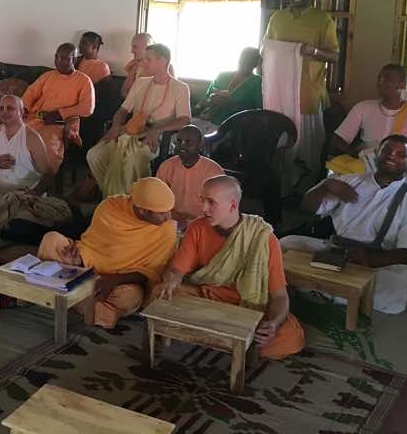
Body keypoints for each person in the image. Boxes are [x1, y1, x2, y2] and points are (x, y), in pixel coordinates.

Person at [152, 175, 305, 360]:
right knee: (159, 292)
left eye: (211, 202)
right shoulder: (197, 228)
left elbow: (280, 296)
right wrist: (172, 280)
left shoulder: (263, 237)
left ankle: (212, 334)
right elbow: (177, 270)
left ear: (232, 205)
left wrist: (273, 324)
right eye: (202, 200)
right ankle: (228, 337)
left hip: (249, 305)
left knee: (289, 334)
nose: (203, 208)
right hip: (208, 299)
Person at [281, 135, 407, 315]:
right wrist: (325, 185)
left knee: (403, 280)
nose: (392, 156)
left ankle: (316, 287)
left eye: (401, 154)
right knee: (286, 244)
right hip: (336, 251)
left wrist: (368, 260)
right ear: (377, 154)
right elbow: (306, 208)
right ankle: (343, 293)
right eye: (387, 151)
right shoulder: (350, 181)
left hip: (377, 262)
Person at [38, 177, 177, 328]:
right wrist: (76, 255)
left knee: (130, 296)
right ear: (143, 210)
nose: (168, 217)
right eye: (162, 213)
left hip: (121, 280)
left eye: (169, 211)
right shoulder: (110, 207)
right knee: (51, 240)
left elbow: (151, 271)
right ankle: (84, 304)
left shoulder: (167, 228)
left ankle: (61, 296)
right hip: (85, 268)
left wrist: (113, 280)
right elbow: (92, 244)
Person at [262, 0, 339, 183]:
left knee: (308, 151)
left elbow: (334, 55)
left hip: (308, 96)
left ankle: (304, 192)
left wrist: (312, 52)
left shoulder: (322, 19)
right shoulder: (277, 18)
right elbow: (265, 49)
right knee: (281, 145)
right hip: (279, 96)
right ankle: (281, 189)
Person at [87, 43, 190, 198]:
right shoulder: (141, 82)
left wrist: (157, 130)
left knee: (132, 159)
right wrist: (115, 127)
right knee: (94, 155)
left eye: (148, 60)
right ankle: (113, 198)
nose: (142, 63)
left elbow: (185, 120)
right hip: (128, 133)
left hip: (157, 139)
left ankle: (134, 201)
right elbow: (122, 111)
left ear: (162, 61)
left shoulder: (180, 88)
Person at [330, 64, 407, 176]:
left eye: (387, 78)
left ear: (402, 84)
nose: (380, 82)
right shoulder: (363, 107)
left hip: (405, 171)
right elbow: (337, 139)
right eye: (379, 78)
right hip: (366, 168)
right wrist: (358, 154)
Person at [21, 43, 95, 173]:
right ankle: (12, 174)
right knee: (11, 134)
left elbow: (87, 108)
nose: (59, 61)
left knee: (46, 147)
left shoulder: (84, 80)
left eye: (65, 58)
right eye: (57, 57)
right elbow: (30, 93)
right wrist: (24, 108)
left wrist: (60, 113)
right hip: (35, 118)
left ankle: (41, 182)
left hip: (61, 124)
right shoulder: (48, 76)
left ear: (75, 59)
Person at [0, 95, 53, 195]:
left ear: (21, 112)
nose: (4, 112)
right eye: (1, 108)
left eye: (10, 108)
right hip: (1, 194)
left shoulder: (31, 138)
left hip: (27, 197)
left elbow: (49, 174)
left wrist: (34, 193)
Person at [156, 124, 224, 225]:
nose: (182, 145)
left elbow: (219, 206)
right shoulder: (167, 166)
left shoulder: (214, 171)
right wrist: (175, 216)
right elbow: (157, 199)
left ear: (200, 145)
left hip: (204, 224)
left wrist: (197, 222)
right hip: (171, 220)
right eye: (179, 141)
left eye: (188, 142)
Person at [194, 47, 263, 128]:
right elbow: (204, 99)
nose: (246, 62)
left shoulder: (257, 81)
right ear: (239, 58)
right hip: (208, 120)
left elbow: (258, 111)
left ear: (255, 64)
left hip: (235, 127)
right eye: (244, 58)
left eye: (251, 60)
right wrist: (210, 101)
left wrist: (230, 104)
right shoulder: (222, 76)